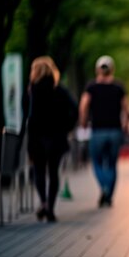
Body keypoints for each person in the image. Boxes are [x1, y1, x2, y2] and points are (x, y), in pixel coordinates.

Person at [26, 56, 77, 222]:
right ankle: (50, 207)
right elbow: (74, 111)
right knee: (53, 172)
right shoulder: (60, 90)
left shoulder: (31, 90)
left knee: (39, 171)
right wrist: (66, 127)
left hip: (36, 137)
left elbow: (27, 115)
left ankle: (43, 202)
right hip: (56, 137)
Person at [78, 55, 129, 207]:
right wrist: (125, 124)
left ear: (97, 69)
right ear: (112, 69)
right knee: (112, 164)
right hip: (115, 131)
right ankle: (108, 194)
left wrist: (83, 122)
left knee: (97, 162)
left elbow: (83, 106)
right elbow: (126, 109)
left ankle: (104, 188)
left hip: (98, 130)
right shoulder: (119, 86)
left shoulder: (91, 87)